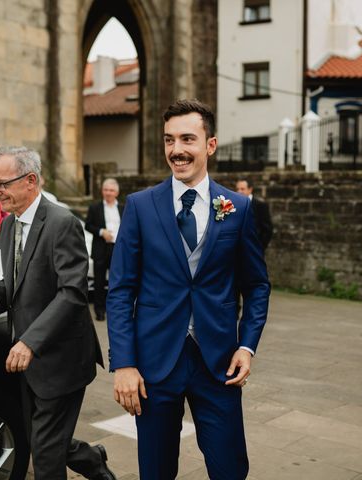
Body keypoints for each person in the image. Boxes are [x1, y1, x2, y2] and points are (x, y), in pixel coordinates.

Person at [107, 99, 270, 479]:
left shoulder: (238, 208)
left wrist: (246, 346)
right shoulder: (140, 206)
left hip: (218, 364)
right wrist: (125, 363)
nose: (176, 150)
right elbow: (120, 290)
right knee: (156, 470)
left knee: (230, 468)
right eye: (169, 140)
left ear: (210, 145)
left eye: (187, 139)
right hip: (154, 365)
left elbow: (257, 285)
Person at [0, 146, 115, 480]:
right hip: (27, 359)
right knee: (44, 439)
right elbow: (18, 280)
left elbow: (72, 292)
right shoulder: (9, 226)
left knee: (47, 456)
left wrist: (31, 342)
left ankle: (92, 462)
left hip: (61, 357)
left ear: (31, 180)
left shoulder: (62, 222)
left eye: (1, 184)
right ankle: (94, 461)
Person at [85, 178, 123, 321]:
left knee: (117, 282)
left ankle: (115, 309)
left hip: (118, 250)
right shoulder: (94, 207)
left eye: (111, 190)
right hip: (101, 249)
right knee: (99, 283)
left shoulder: (123, 208)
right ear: (102, 191)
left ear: (117, 192)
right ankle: (99, 311)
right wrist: (101, 232)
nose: (108, 193)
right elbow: (88, 225)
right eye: (106, 190)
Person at [236, 178, 273, 250]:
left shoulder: (260, 205)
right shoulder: (234, 204)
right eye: (237, 189)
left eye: (242, 189)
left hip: (254, 248)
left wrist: (260, 248)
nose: (239, 192)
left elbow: (267, 230)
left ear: (250, 189)